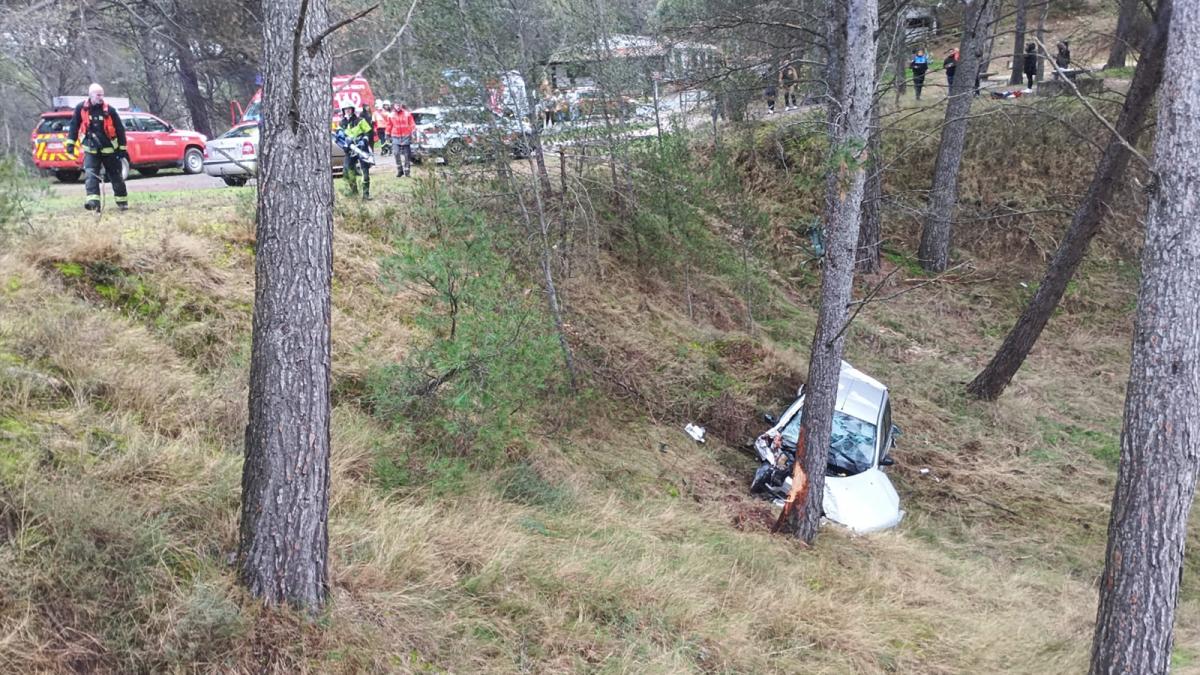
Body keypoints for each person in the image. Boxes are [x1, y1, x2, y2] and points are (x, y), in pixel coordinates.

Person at [66, 83, 129, 211]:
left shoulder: (110, 110)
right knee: (91, 175)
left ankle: (122, 202)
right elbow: (74, 126)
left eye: (102, 95)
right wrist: (70, 144)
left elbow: (120, 130)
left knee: (116, 175)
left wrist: (122, 149)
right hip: (91, 149)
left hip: (109, 150)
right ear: (90, 95)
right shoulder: (81, 109)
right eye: (98, 95)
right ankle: (93, 203)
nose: (101, 97)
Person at [338, 98, 374, 199]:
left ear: (353, 110)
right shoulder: (342, 123)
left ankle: (366, 194)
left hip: (361, 148)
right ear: (343, 111)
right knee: (347, 171)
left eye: (349, 109)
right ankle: (354, 191)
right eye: (345, 109)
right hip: (350, 150)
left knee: (365, 171)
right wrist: (340, 134)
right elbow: (339, 135)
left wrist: (364, 140)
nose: (347, 111)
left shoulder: (360, 121)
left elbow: (369, 132)